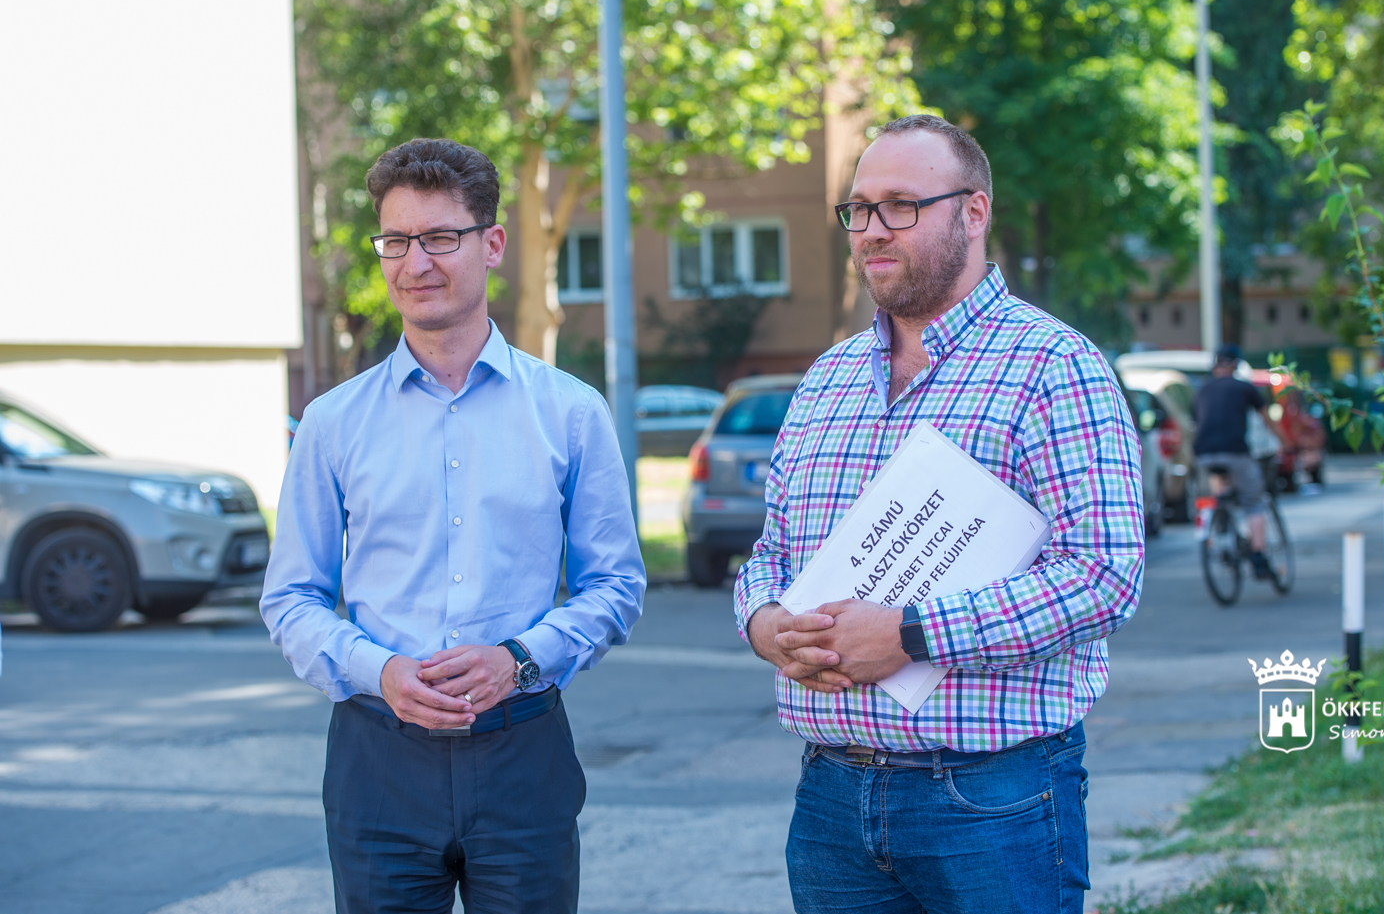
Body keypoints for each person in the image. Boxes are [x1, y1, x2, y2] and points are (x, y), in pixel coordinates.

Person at [733, 114, 1145, 914]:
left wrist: (912, 633)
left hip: (991, 797)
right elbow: (771, 553)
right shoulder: (825, 379)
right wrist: (765, 621)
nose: (872, 229)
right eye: (859, 209)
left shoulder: (1054, 365)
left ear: (974, 211)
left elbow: (1104, 577)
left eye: (901, 205)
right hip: (831, 796)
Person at [260, 138, 646, 914]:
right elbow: (291, 597)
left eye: (440, 237)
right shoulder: (332, 423)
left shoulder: (571, 413)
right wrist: (379, 671)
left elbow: (615, 585)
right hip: (377, 758)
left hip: (522, 751)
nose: (415, 262)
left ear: (492, 244)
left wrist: (519, 660)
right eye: (396, 241)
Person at [1191, 343, 1278, 574]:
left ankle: (1221, 520)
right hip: (1235, 451)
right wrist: (1284, 442)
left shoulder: (1201, 390)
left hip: (1203, 453)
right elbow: (1266, 417)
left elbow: (1196, 422)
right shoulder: (1244, 388)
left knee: (1219, 487)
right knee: (1254, 502)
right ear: (1236, 365)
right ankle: (1258, 556)